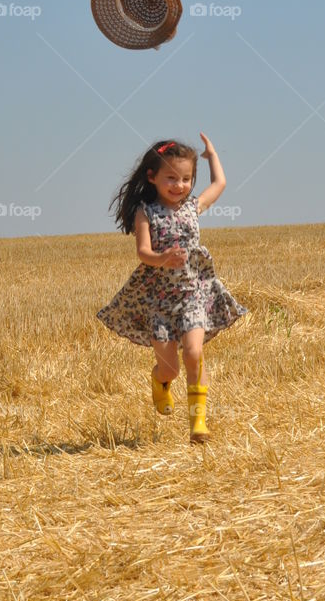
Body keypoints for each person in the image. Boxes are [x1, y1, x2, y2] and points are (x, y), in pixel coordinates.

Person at [96, 133, 248, 443]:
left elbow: (219, 185)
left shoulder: (193, 207)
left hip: (192, 297)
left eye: (186, 178)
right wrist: (162, 259)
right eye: (171, 178)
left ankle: (198, 425)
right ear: (152, 177)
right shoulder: (145, 212)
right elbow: (143, 252)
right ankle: (159, 382)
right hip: (159, 303)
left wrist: (213, 155)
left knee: (194, 353)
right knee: (171, 371)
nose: (179, 185)